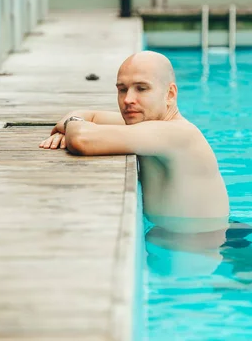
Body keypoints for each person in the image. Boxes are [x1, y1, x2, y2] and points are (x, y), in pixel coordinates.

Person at [40, 50, 230, 234]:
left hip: (200, 250)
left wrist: (70, 126)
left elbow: (82, 139)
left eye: (141, 88)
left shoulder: (178, 134)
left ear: (170, 94)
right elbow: (89, 116)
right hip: (175, 242)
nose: (128, 100)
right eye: (122, 90)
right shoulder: (147, 124)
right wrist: (72, 125)